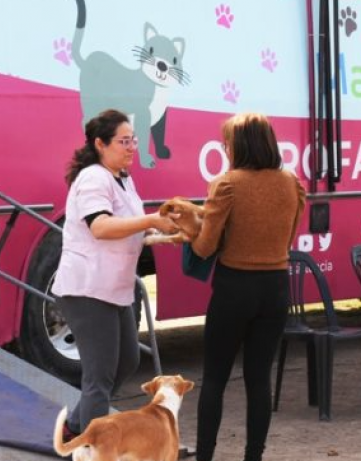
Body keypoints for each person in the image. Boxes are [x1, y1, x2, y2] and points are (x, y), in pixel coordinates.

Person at [51, 109, 179, 438]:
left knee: (128, 360)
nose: (132, 146)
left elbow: (126, 230)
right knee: (99, 378)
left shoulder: (121, 176)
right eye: (124, 141)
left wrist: (163, 236)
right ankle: (89, 447)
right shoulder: (94, 177)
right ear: (100, 144)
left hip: (115, 287)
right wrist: (151, 220)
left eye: (133, 139)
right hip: (88, 290)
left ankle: (76, 427)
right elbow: (102, 227)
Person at [185, 113, 305, 461]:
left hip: (234, 287)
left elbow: (205, 247)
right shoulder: (292, 183)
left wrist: (191, 231)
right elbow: (288, 237)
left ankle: (205, 455)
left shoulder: (227, 184)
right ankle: (254, 456)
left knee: (215, 379)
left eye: (226, 143)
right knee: (258, 379)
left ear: (240, 145)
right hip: (276, 287)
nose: (224, 149)